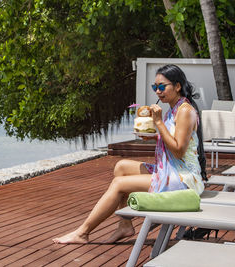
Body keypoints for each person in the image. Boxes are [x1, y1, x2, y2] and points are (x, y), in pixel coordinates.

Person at [53, 64, 207, 244]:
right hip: (170, 171)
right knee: (121, 166)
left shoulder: (185, 111)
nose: (158, 91)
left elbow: (179, 151)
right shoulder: (173, 109)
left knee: (119, 184)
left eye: (162, 86)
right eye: (154, 87)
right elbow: (171, 141)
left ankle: (82, 232)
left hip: (184, 178)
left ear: (178, 86)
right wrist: (153, 136)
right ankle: (125, 225)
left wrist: (158, 123)